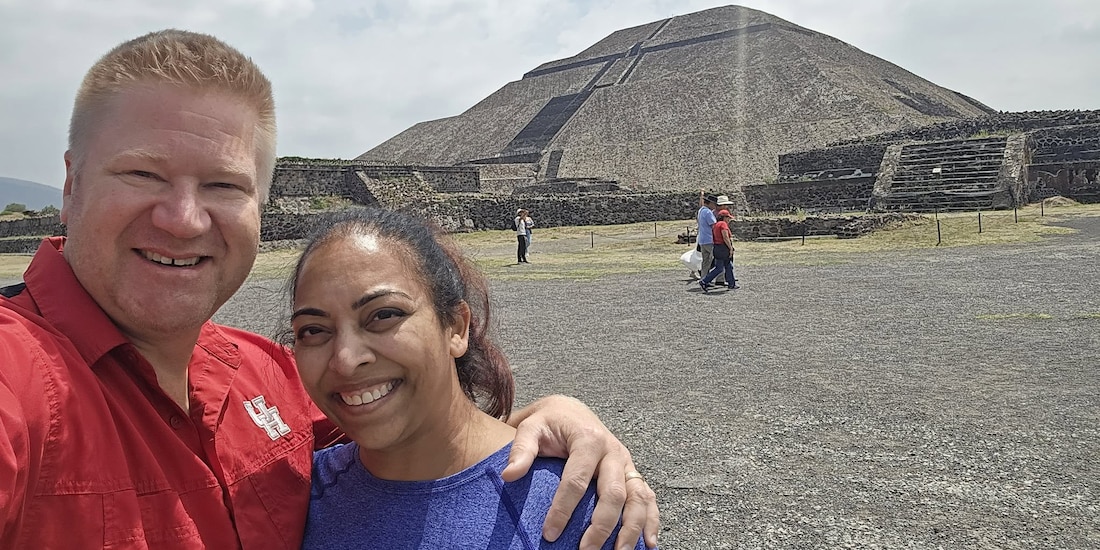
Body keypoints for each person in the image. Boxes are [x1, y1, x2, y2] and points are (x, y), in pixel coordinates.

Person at [0, 29, 658, 549]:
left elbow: (416, 424)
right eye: (143, 174)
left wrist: (556, 415)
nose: (183, 218)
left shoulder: (266, 377)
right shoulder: (19, 378)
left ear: (260, 204)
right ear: (70, 183)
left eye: (224, 186)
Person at [290, 209, 648, 549]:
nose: (346, 360)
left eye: (383, 314)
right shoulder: (287, 499)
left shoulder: (575, 509)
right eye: (313, 330)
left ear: (456, 327)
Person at [700, 209, 738, 292]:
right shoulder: (723, 225)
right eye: (728, 217)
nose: (729, 220)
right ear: (724, 217)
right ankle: (705, 281)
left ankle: (731, 283)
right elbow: (725, 237)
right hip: (723, 247)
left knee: (725, 266)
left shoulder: (716, 225)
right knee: (723, 267)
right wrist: (730, 248)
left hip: (717, 247)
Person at [695, 192, 718, 282]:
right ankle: (711, 278)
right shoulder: (708, 212)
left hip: (702, 240)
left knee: (705, 261)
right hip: (709, 239)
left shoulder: (701, 210)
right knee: (716, 260)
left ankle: (703, 278)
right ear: (711, 204)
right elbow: (713, 225)